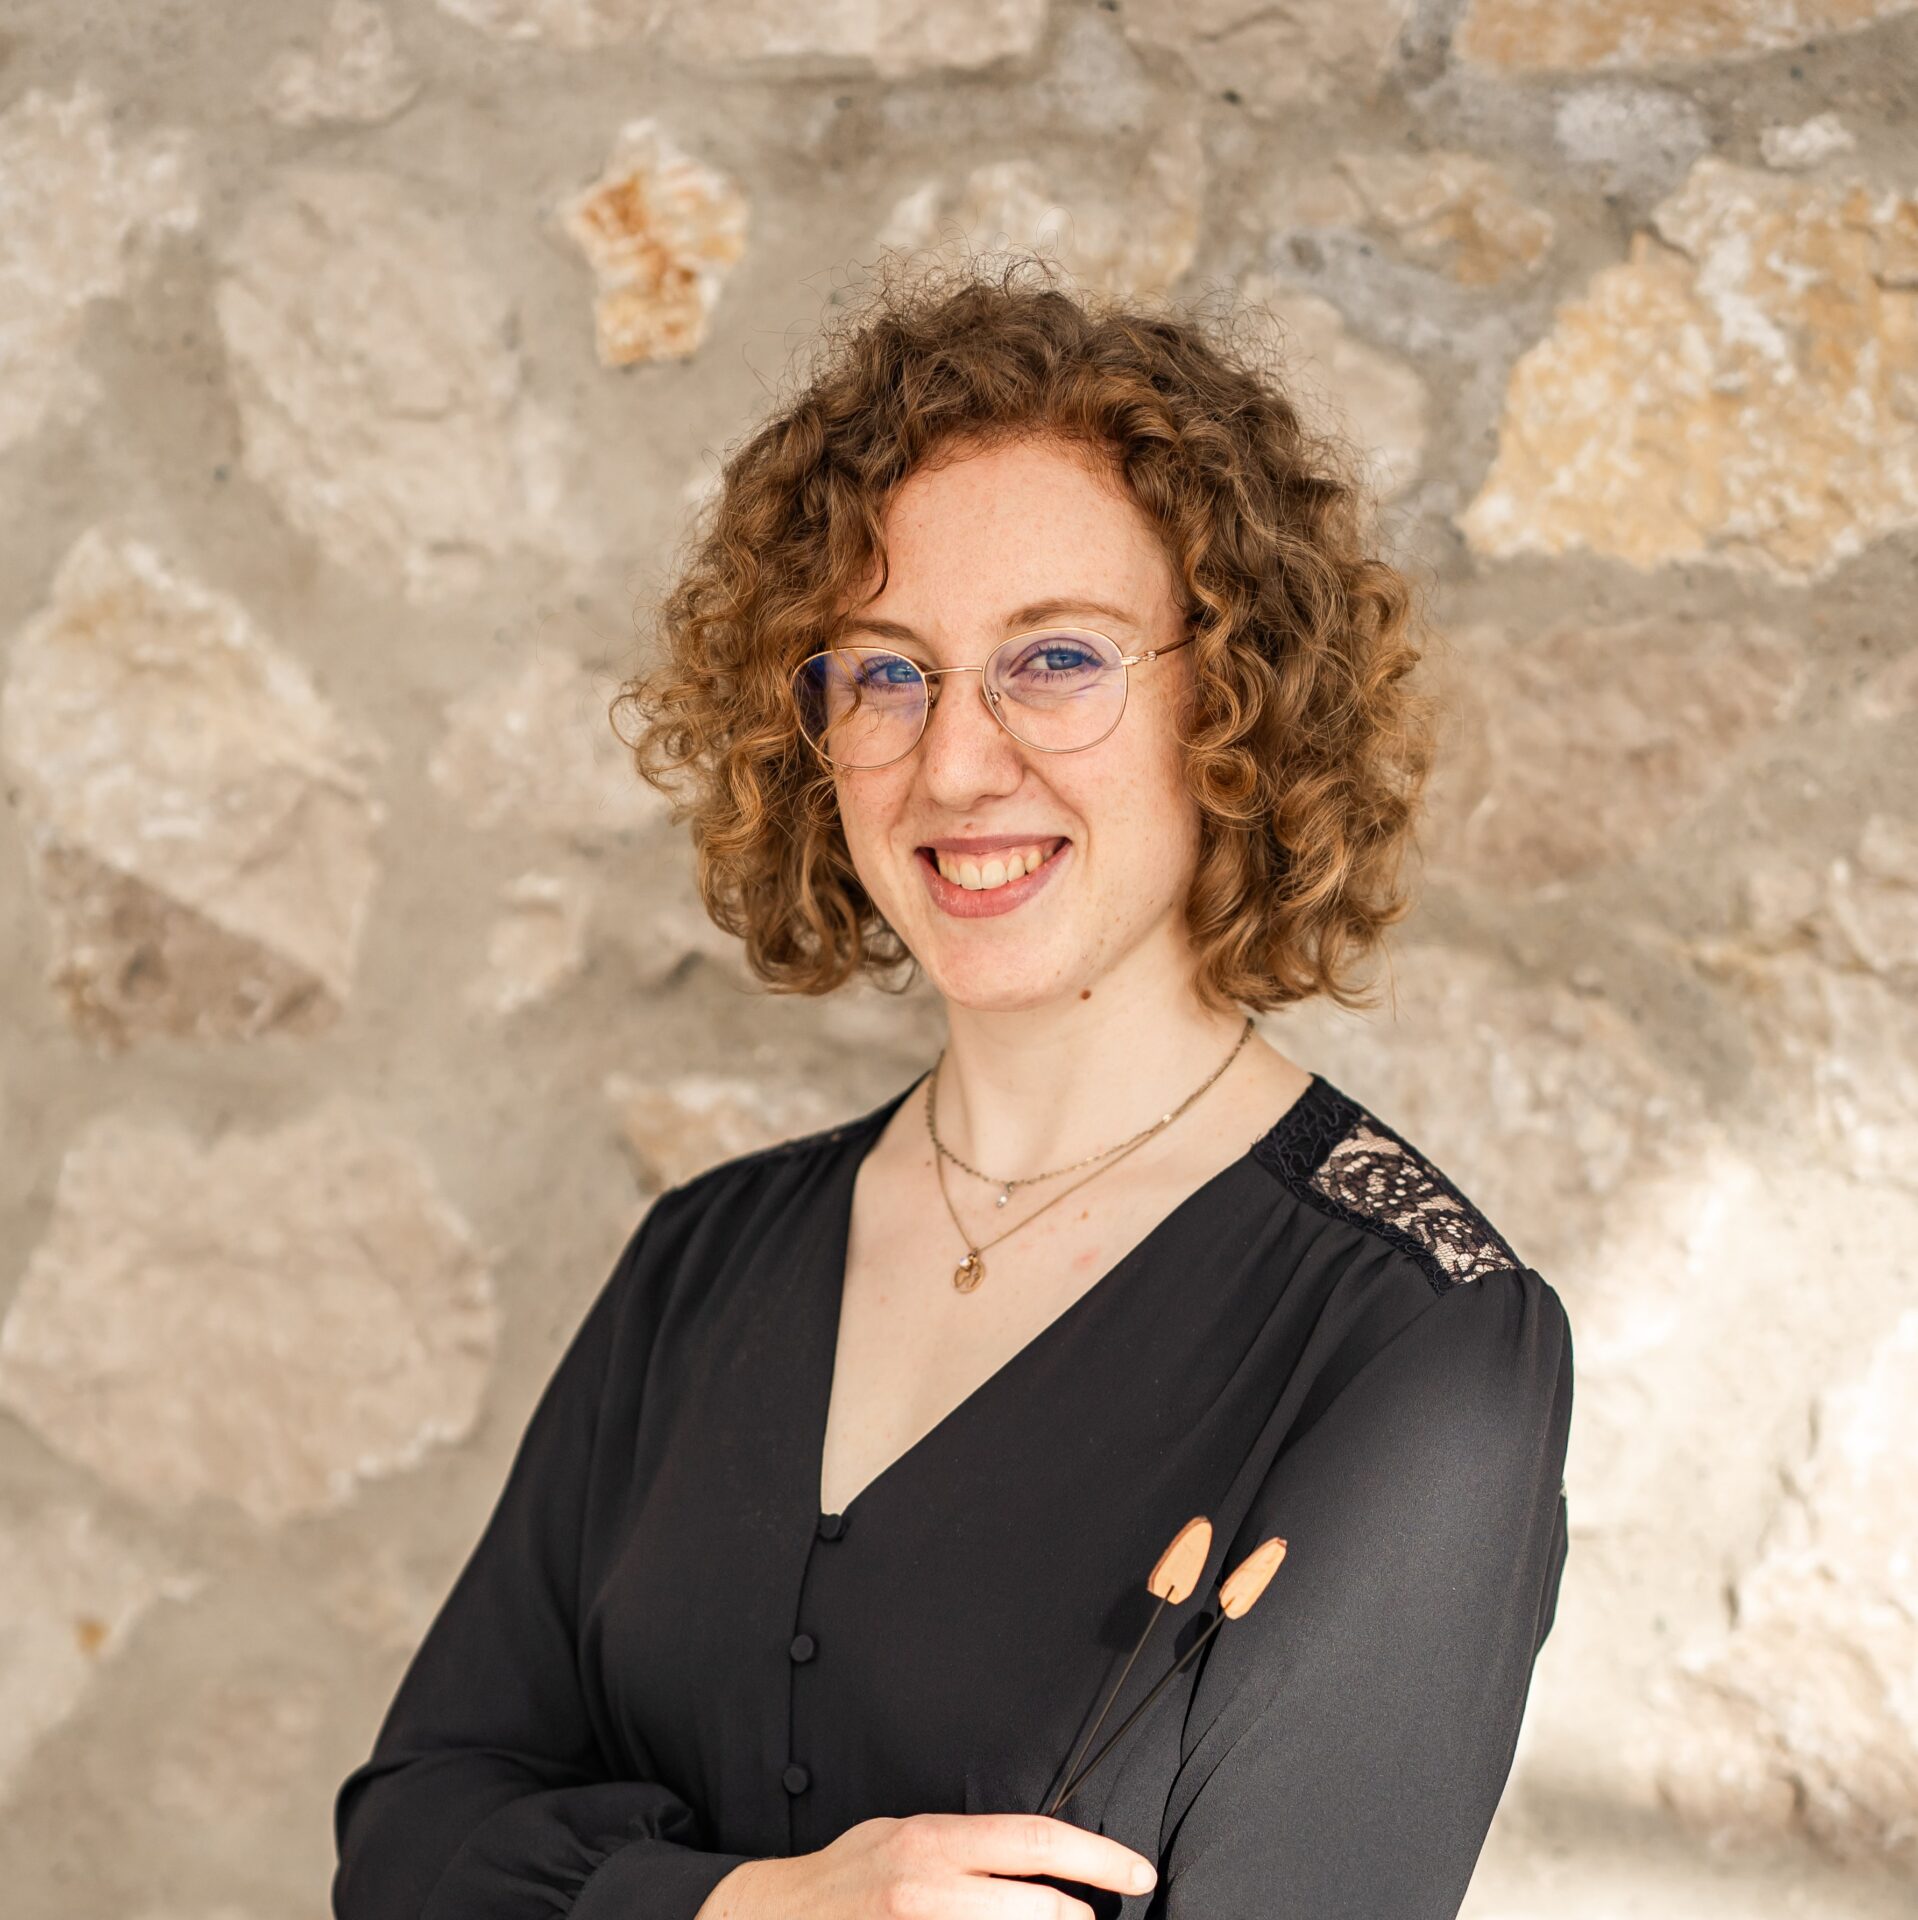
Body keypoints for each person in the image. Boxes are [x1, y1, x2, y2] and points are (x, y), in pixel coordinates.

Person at [331, 257, 1573, 1920]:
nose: (955, 762)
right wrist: (745, 1909)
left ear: (1234, 699)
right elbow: (409, 1844)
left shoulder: (1416, 1340)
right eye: (883, 670)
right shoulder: (701, 1264)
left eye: (1052, 658)